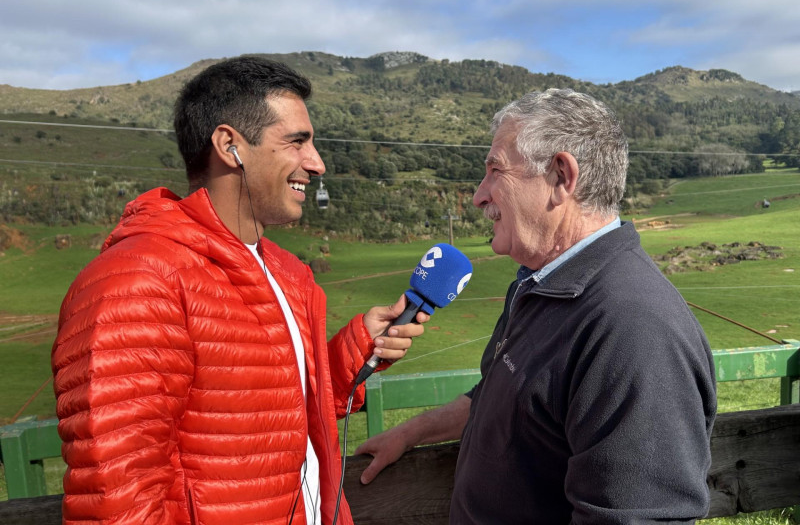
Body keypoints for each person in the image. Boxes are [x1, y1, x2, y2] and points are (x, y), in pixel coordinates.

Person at [51, 56, 427, 525]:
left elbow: (268, 417)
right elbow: (115, 498)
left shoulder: (288, 274)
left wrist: (354, 351)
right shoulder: (136, 282)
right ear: (231, 146)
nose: (317, 164)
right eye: (296, 142)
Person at [355, 88, 717, 523]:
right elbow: (502, 399)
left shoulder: (634, 329)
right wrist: (413, 432)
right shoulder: (539, 284)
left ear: (561, 177)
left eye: (494, 171)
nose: (478, 195)